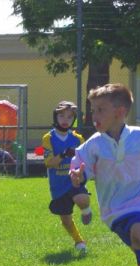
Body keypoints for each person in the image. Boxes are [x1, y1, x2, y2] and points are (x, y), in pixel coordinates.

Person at [70, 83, 140, 266]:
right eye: (93, 110)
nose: (93, 115)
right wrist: (78, 176)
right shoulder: (93, 145)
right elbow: (80, 167)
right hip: (115, 209)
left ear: (120, 112)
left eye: (100, 110)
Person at [42, 101, 92, 255]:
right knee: (65, 220)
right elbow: (49, 163)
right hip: (57, 185)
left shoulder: (78, 139)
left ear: (74, 119)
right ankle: (79, 241)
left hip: (74, 180)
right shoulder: (48, 138)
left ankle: (86, 210)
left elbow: (86, 161)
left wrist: (82, 172)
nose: (65, 119)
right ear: (55, 117)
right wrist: (64, 154)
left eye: (70, 117)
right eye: (62, 115)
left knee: (82, 199)